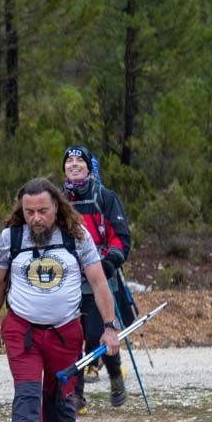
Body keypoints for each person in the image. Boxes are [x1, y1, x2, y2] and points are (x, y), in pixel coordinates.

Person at [0, 177, 120, 422]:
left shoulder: (76, 235)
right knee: (28, 393)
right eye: (29, 212)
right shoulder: (11, 238)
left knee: (60, 396)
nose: (36, 218)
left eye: (42, 211)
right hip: (22, 330)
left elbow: (99, 283)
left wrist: (110, 327)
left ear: (56, 207)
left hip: (65, 331)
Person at [62, 145, 134, 408]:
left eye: (79, 160)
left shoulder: (105, 196)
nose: (74, 164)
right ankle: (76, 394)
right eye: (69, 161)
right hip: (68, 278)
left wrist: (109, 262)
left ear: (89, 168)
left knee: (97, 333)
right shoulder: (57, 200)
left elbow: (120, 235)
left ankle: (115, 373)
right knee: (72, 336)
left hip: (101, 274)